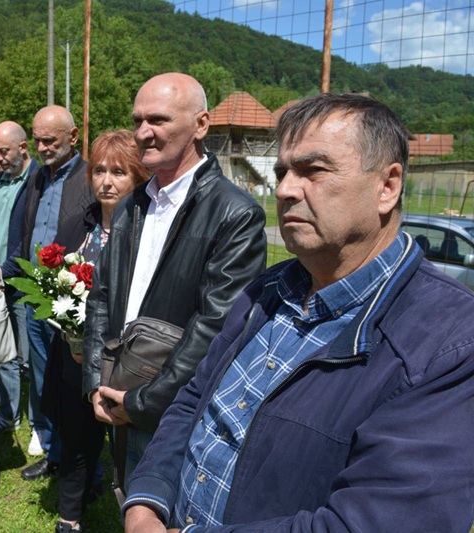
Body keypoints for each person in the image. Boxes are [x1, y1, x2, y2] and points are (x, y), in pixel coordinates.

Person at [122, 93, 474, 532]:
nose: (286, 189)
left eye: (314, 170)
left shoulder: (449, 343)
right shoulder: (266, 291)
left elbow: (379, 521)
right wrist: (146, 502)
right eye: (283, 171)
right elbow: (192, 401)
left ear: (388, 186)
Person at [81, 73, 267, 487]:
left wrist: (144, 403)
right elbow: (101, 297)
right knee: (127, 500)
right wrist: (96, 381)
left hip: (176, 412)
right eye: (138, 120)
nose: (143, 132)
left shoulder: (235, 214)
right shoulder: (132, 205)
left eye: (159, 120)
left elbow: (216, 327)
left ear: (201, 125)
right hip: (117, 396)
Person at [44, 130, 150, 533]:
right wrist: (72, 335)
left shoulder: (147, 231)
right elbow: (53, 284)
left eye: (119, 172)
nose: (106, 181)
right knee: (76, 439)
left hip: (128, 361)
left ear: (138, 178)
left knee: (129, 446)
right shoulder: (78, 225)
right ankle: (69, 517)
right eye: (100, 170)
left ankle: (137, 513)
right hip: (75, 358)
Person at [17, 105, 96, 481]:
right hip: (36, 294)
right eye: (37, 140)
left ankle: (87, 467)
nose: (43, 147)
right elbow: (27, 228)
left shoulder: (89, 178)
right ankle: (53, 452)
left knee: (75, 386)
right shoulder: (37, 177)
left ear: (74, 136)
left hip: (70, 299)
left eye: (50, 140)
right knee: (43, 379)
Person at [0, 121, 39, 432]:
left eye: (3, 151)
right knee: (2, 354)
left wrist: (7, 272)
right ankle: (7, 415)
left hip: (21, 283)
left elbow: (30, 237)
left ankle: (38, 423)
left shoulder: (37, 181)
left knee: (30, 359)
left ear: (22, 147)